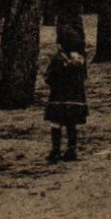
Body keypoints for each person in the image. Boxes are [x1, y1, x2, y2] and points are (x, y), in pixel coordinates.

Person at [44, 25, 89, 163]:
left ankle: (56, 150)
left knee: (56, 123)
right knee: (71, 124)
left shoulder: (58, 60)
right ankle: (71, 149)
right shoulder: (80, 61)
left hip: (58, 97)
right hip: (74, 98)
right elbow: (83, 78)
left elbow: (49, 77)